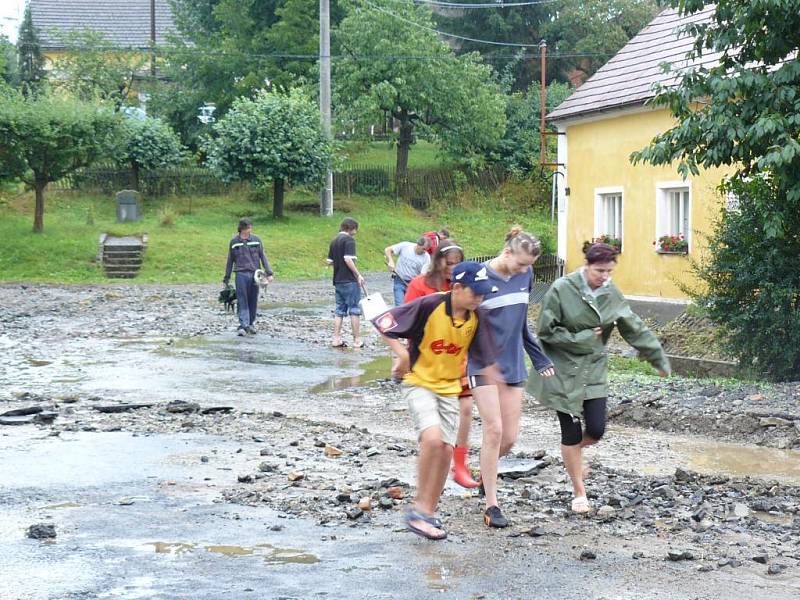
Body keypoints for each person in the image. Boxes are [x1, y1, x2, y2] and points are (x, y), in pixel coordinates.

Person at [528, 242, 670, 514]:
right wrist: (581, 338)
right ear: (587, 265)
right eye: (599, 270)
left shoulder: (610, 293)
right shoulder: (562, 289)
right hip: (563, 370)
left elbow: (634, 327)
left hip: (592, 370)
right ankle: (579, 491)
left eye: (609, 271)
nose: (604, 276)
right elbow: (545, 331)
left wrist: (658, 359)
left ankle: (572, 456)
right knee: (569, 431)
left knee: (596, 429)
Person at [373, 261, 499, 540]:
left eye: (483, 294)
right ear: (456, 288)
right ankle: (418, 508)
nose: (479, 299)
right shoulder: (429, 306)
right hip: (419, 382)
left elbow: (484, 358)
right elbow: (383, 322)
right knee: (432, 439)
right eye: (475, 293)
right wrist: (402, 355)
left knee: (445, 449)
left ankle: (427, 513)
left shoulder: (477, 318)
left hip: (450, 389)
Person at [467, 227, 555, 528]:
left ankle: (484, 473)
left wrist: (539, 357)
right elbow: (466, 326)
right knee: (493, 430)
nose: (525, 270)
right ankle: (492, 504)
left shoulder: (525, 276)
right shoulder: (479, 278)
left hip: (513, 363)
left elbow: (521, 324)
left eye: (529, 266)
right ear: (507, 253)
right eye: (520, 264)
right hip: (482, 364)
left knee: (510, 438)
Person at [404, 241, 480, 488]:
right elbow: (407, 321)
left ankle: (460, 463)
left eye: (458, 263)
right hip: (428, 359)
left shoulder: (465, 290)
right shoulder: (421, 285)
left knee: (466, 408)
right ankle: (431, 466)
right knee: (433, 430)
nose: (453, 268)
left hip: (458, 358)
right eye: (449, 263)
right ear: (437, 261)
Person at [222, 218, 273, 336]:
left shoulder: (256, 240)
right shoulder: (234, 242)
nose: (249, 229)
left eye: (250, 227)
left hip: (255, 274)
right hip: (240, 274)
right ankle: (243, 325)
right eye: (247, 227)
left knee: (253, 299)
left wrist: (269, 273)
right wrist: (226, 278)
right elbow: (230, 261)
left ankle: (250, 324)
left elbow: (263, 256)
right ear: (242, 228)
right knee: (241, 299)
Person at [327, 218, 366, 348]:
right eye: (355, 229)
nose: (356, 232)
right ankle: (357, 340)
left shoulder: (334, 240)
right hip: (350, 280)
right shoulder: (349, 240)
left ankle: (336, 339)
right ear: (351, 228)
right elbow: (348, 259)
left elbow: (330, 262)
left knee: (339, 310)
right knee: (354, 310)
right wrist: (358, 275)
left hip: (338, 280)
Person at [384, 237, 431, 306]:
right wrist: (390, 261)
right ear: (418, 244)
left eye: (426, 250)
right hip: (399, 280)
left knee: (410, 307)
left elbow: (422, 276)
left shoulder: (426, 258)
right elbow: (387, 250)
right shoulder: (405, 246)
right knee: (400, 305)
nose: (424, 251)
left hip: (412, 284)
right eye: (423, 249)